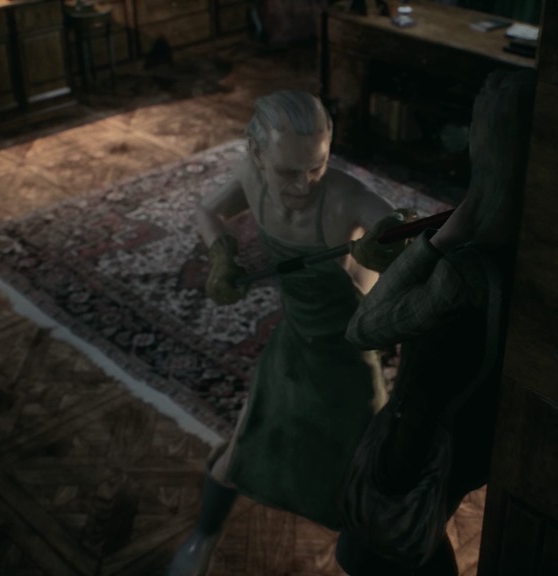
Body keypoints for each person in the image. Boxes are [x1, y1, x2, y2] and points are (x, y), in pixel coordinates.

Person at [168, 90, 416, 576]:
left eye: (317, 166)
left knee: (365, 479)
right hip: (295, 344)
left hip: (349, 362)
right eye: (288, 171)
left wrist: (394, 247)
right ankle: (203, 536)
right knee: (244, 448)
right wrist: (221, 255)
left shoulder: (345, 197)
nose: (304, 185)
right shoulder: (248, 177)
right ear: (256, 153)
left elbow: (406, 233)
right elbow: (207, 210)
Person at [335, 69, 537, 575]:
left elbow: (364, 328)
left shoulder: (464, 271)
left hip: (420, 442)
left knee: (388, 551)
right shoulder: (529, 249)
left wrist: (439, 240)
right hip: (476, 436)